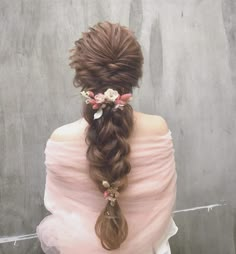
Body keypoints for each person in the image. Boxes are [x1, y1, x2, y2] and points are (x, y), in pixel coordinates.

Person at [36, 21, 178, 254]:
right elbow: (165, 207)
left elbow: (58, 211)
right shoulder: (158, 130)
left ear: (81, 77)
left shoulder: (60, 140)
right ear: (135, 74)